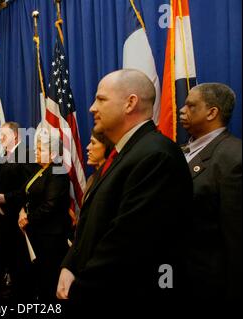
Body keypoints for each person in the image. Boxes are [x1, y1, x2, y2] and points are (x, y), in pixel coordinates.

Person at [56, 69, 193, 300]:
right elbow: (92, 219)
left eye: (101, 99)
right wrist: (69, 265)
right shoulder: (124, 152)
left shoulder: (156, 156)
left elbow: (127, 246)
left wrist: (80, 289)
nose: (92, 108)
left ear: (130, 103)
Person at [179, 82, 242, 298]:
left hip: (207, 283)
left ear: (212, 112)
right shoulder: (181, 151)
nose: (182, 110)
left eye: (191, 106)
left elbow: (235, 237)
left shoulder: (233, 157)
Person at [16, 128, 71, 300]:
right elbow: (28, 194)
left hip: (51, 235)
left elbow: (50, 205)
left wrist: (28, 219)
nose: (36, 152)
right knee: (39, 277)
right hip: (38, 232)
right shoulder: (40, 170)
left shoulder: (58, 171)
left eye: (40, 150)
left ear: (53, 153)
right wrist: (22, 210)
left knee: (49, 278)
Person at [0, 122, 38, 296]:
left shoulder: (27, 153)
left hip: (20, 214)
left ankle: (24, 292)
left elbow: (29, 187)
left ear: (16, 136)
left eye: (4, 135)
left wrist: (7, 197)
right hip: (4, 213)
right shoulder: (3, 155)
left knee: (21, 258)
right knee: (10, 254)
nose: (1, 139)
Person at [82, 129, 114, 204]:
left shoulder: (111, 179)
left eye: (93, 143)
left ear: (107, 146)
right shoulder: (91, 179)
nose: (87, 147)